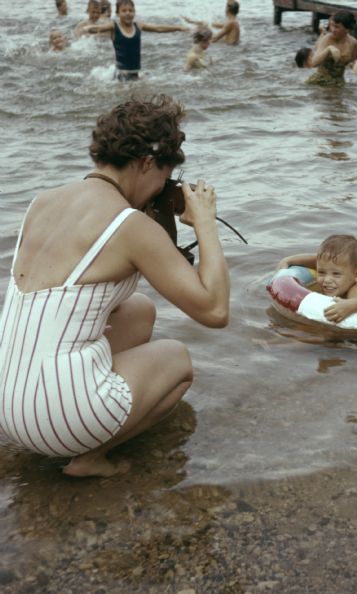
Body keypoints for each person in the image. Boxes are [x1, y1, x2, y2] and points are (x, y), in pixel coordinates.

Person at [0, 95, 230, 478]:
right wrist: (205, 223)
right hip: (54, 422)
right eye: (162, 177)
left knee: (139, 310)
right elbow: (216, 311)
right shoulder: (129, 225)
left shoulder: (42, 201)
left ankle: (70, 414)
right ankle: (90, 456)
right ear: (145, 163)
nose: (161, 189)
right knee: (177, 361)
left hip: (6, 409)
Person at [277, 235, 357, 324]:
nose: (327, 280)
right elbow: (316, 260)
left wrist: (351, 306)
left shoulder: (354, 291)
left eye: (336, 274)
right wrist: (288, 260)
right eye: (321, 272)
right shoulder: (335, 278)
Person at [83, 0, 188, 81]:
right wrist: (88, 29)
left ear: (134, 12)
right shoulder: (114, 26)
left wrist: (177, 28)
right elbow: (99, 28)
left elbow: (158, 28)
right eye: (124, 11)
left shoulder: (138, 25)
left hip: (136, 73)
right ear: (118, 13)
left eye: (130, 10)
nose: (128, 13)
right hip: (121, 75)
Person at [306, 11, 357, 86]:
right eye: (332, 25)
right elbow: (313, 63)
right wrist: (328, 49)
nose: (333, 30)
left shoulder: (353, 43)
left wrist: (355, 65)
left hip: (339, 83)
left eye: (337, 27)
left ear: (347, 29)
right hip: (320, 82)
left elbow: (352, 62)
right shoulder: (327, 39)